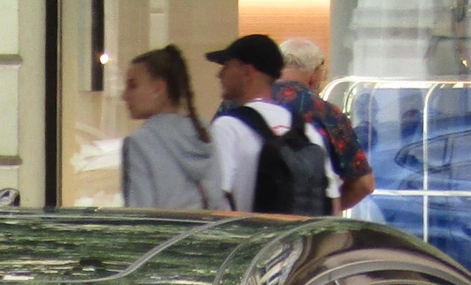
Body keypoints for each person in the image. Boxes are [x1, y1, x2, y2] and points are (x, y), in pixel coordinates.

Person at [205, 34, 333, 216]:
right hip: (299, 240)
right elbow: (332, 202)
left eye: (227, 66)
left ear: (247, 72)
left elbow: (216, 202)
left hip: (251, 239)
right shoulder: (308, 132)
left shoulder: (228, 127)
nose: (220, 74)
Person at [275, 34, 375, 211]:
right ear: (315, 74)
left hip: (245, 225)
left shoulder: (239, 104)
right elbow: (364, 184)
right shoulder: (326, 113)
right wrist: (325, 212)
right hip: (304, 227)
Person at [119, 47, 221, 210]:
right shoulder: (202, 133)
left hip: (167, 235)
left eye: (133, 86)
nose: (124, 95)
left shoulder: (140, 142)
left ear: (158, 88)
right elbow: (218, 201)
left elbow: (139, 217)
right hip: (205, 232)